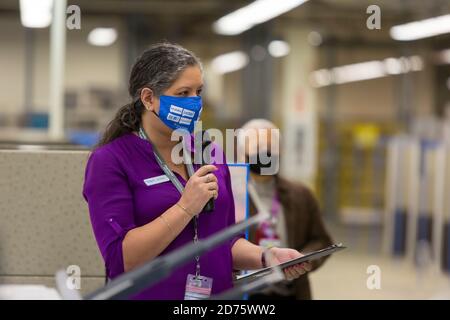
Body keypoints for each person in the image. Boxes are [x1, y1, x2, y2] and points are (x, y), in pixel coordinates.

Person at [82, 42, 312, 300]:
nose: (194, 102)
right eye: (183, 93)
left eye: (198, 91)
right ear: (148, 98)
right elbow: (121, 261)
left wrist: (266, 256)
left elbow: (226, 240)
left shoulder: (209, 152)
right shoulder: (111, 161)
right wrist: (184, 208)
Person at [239, 119, 333, 300]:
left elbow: (321, 240)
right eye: (257, 146)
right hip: (244, 294)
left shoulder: (301, 195)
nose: (265, 152)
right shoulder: (230, 194)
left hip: (290, 292)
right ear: (242, 151)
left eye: (271, 146)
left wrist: (301, 260)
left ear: (281, 151)